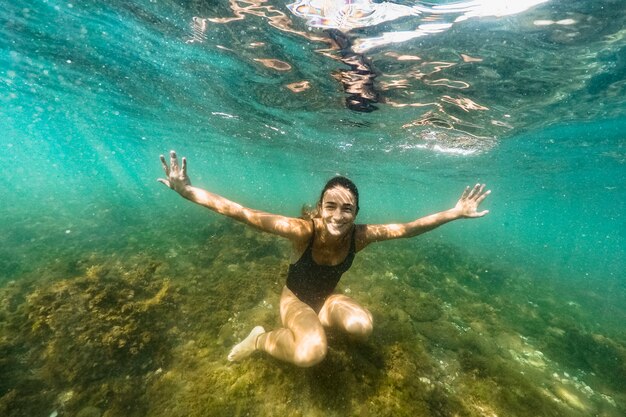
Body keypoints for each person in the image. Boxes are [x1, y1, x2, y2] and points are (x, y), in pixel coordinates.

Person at [158, 150, 490, 367]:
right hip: (296, 302)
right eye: (330, 206)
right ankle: (259, 339)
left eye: (347, 209)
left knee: (362, 326)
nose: (338, 215)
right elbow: (246, 214)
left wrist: (455, 212)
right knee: (313, 353)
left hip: (327, 301)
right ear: (320, 209)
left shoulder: (360, 236)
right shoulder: (303, 231)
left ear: (356, 212)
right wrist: (188, 191)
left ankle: (316, 326)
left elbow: (407, 229)